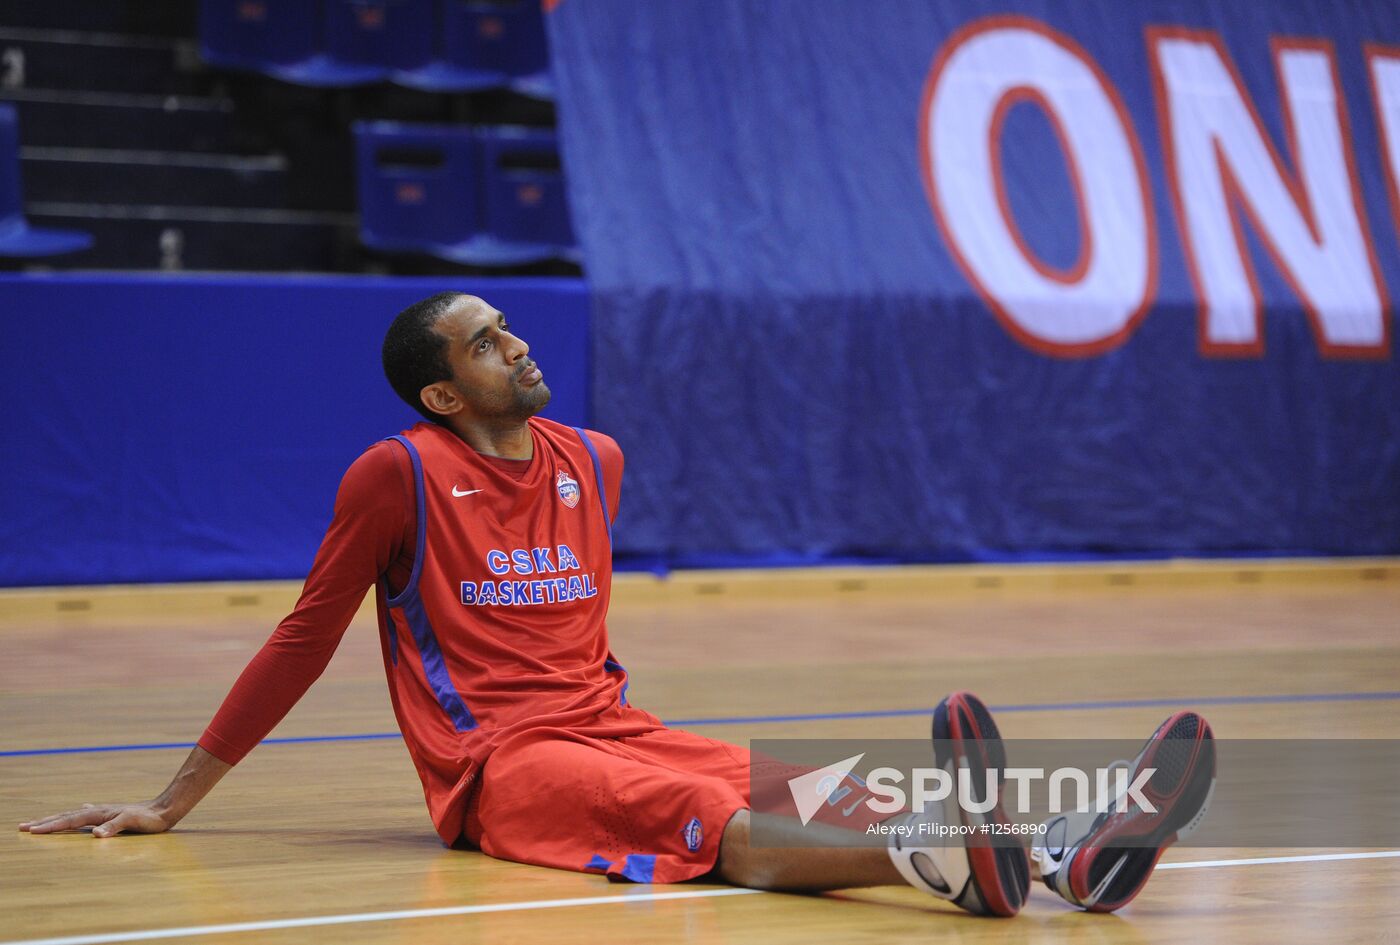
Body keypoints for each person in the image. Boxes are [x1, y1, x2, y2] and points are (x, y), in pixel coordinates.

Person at [19, 292, 1216, 917]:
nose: (517, 344)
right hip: (505, 765)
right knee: (720, 836)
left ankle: (1056, 856)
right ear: (443, 393)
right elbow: (303, 635)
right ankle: (973, 859)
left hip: (618, 724)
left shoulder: (593, 455)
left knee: (821, 781)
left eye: (511, 327)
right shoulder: (398, 474)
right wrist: (175, 801)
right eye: (487, 343)